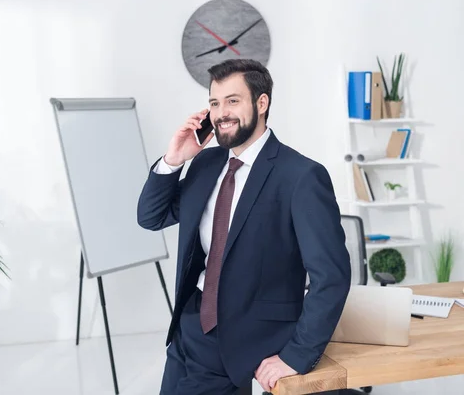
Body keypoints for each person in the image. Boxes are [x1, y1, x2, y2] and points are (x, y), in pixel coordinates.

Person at [137, 58, 351, 394]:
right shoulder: (205, 164)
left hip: (252, 338)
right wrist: (174, 159)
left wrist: (297, 356)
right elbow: (151, 217)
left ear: (261, 102)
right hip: (191, 327)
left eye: (232, 101)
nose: (221, 112)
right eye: (214, 103)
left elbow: (332, 277)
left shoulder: (300, 176)